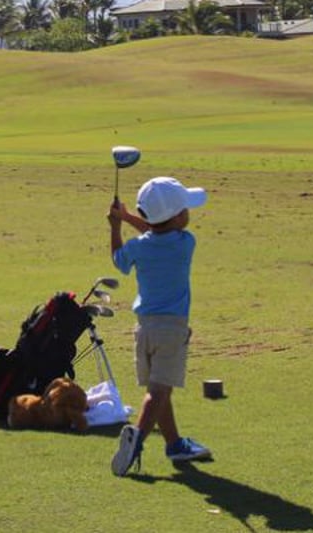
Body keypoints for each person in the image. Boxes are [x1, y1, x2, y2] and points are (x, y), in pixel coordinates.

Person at [107, 176, 213, 477]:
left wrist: (118, 224)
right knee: (158, 392)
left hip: (144, 329)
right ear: (178, 217)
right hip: (173, 329)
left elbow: (120, 259)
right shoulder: (185, 243)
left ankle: (175, 444)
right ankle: (137, 438)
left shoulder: (139, 248)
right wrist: (128, 219)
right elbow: (158, 234)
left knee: (160, 387)